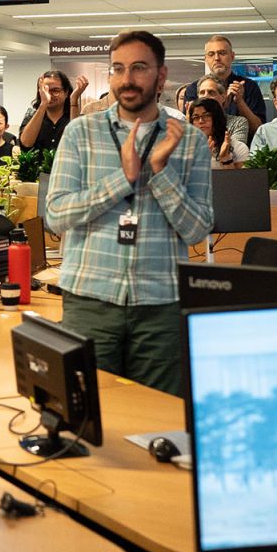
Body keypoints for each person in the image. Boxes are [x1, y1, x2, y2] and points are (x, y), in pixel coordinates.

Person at [46, 30, 213, 396]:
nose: (127, 79)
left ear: (161, 75)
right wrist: (123, 178)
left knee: (157, 418)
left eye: (139, 68)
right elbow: (56, 215)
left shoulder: (190, 141)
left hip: (161, 304)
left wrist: (158, 172)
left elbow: (197, 230)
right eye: (118, 69)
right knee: (88, 411)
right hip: (90, 299)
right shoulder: (81, 133)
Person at [181, 35, 267, 124]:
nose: (217, 58)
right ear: (205, 59)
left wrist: (240, 102)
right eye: (211, 54)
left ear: (232, 56)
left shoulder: (249, 87)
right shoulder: (193, 89)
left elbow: (259, 129)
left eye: (222, 53)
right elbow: (187, 128)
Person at [19, 70, 79, 151]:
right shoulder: (31, 116)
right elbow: (26, 144)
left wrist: (74, 101)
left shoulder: (74, 116)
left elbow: (78, 143)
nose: (49, 95)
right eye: (45, 90)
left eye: (55, 91)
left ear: (66, 92)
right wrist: (43, 104)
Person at [193, 74, 251, 146]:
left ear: (223, 97)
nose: (206, 96)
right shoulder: (192, 123)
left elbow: (235, 152)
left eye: (211, 92)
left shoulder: (238, 123)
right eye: (202, 93)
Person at [189, 98, 247, 169]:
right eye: (196, 117)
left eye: (207, 115)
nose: (201, 121)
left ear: (217, 118)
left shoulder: (238, 147)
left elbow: (240, 179)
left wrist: (225, 158)